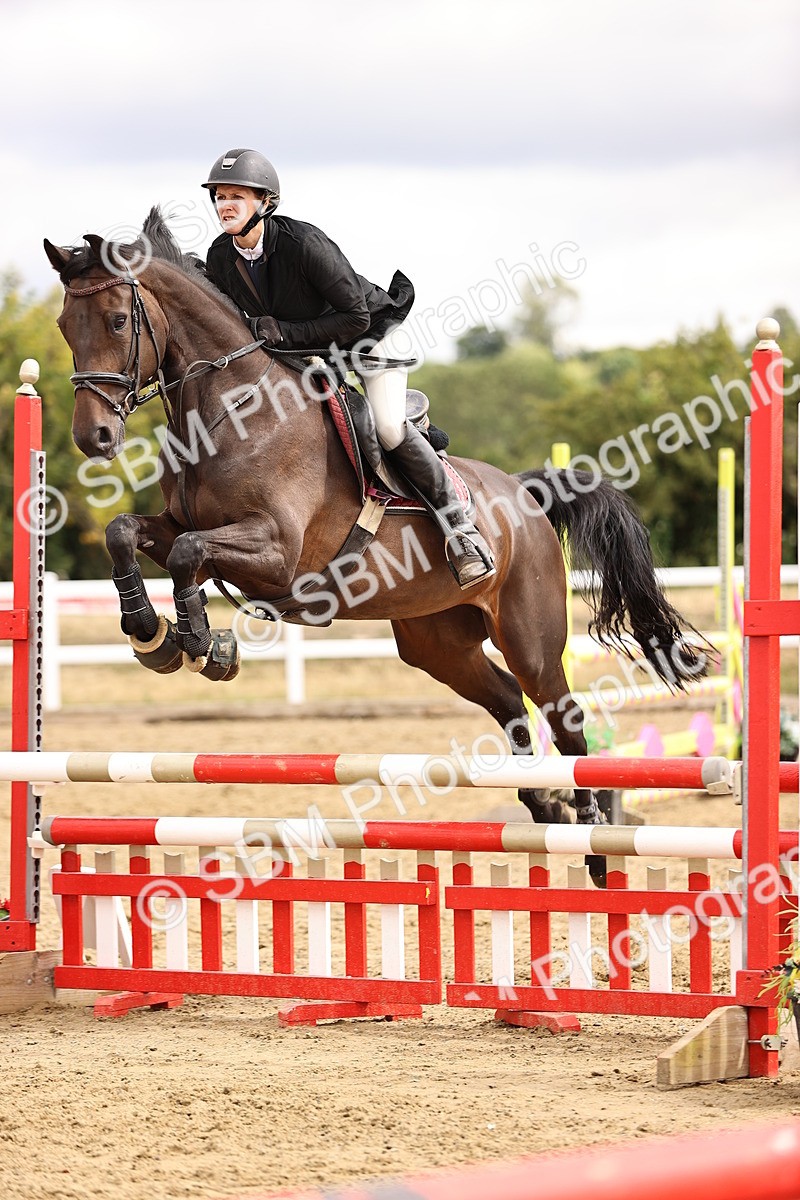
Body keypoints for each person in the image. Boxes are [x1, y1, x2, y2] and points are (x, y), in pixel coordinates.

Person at [202, 148, 495, 589]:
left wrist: (283, 331)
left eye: (236, 196)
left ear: (264, 202)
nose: (225, 204)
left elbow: (354, 317)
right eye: (220, 196)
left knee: (389, 428)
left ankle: (460, 528)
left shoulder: (305, 244)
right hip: (308, 354)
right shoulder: (222, 256)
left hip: (370, 336)